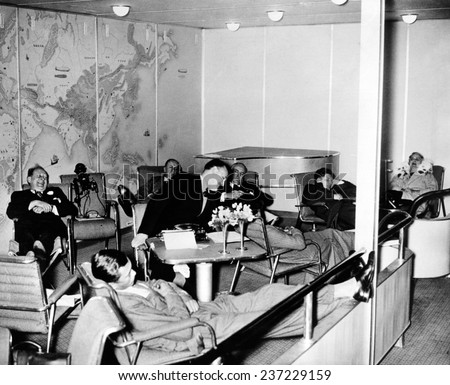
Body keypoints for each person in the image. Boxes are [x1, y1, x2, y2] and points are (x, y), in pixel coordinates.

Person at [91, 249, 373, 355]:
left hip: (204, 310)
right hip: (196, 329)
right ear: (111, 282)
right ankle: (342, 302)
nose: (135, 273)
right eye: (128, 273)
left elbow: (159, 285)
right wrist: (170, 294)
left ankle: (344, 286)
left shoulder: (129, 284)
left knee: (270, 293)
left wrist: (170, 290)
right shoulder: (127, 306)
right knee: (269, 317)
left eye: (131, 267)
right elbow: (179, 329)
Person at [131, 159, 230, 287]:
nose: (222, 183)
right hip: (167, 236)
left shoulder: (213, 193)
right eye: (222, 178)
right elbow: (156, 203)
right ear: (214, 170)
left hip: (193, 240)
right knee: (169, 277)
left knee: (203, 271)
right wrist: (143, 233)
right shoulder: (184, 180)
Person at [7, 165, 77, 267]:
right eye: (39, 176)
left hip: (49, 227)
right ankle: (31, 254)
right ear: (29, 179)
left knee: (48, 231)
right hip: (28, 227)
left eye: (45, 177)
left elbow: (72, 209)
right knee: (24, 229)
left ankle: (37, 252)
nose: (42, 179)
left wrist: (51, 208)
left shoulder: (56, 192)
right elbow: (11, 212)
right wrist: (35, 203)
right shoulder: (18, 195)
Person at [244, 222, 355, 270]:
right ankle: (358, 242)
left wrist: (283, 232)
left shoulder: (245, 227)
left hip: (284, 247)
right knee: (332, 237)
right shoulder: (267, 230)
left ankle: (354, 240)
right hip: (300, 249)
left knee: (330, 232)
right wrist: (294, 230)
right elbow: (300, 244)